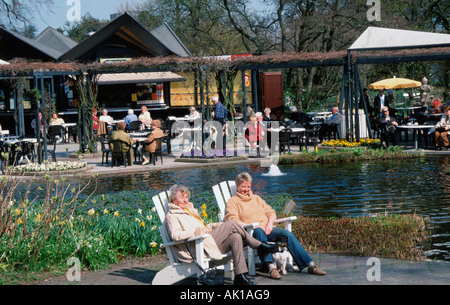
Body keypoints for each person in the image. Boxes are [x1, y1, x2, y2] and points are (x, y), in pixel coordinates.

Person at [165, 184, 280, 285]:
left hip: (207, 242)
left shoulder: (190, 211)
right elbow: (176, 235)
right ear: (174, 200)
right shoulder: (172, 216)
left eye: (186, 197)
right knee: (230, 223)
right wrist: (197, 232)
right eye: (181, 197)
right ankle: (259, 245)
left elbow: (205, 227)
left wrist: (216, 225)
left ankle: (240, 276)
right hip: (196, 247)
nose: (185, 200)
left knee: (235, 237)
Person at [225, 172, 326, 280]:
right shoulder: (233, 201)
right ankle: (271, 267)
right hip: (251, 233)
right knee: (259, 231)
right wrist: (252, 226)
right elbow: (232, 220)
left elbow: (271, 212)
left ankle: (310, 265)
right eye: (243, 187)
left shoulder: (256, 198)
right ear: (237, 185)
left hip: (268, 229)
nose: (246, 189)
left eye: (248, 186)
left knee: (287, 234)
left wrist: (269, 224)